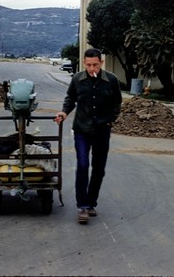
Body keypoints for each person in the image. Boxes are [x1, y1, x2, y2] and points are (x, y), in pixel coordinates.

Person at [55, 48, 122, 224]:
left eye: (95, 64)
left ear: (102, 62)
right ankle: (82, 206)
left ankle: (91, 202)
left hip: (102, 129)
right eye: (89, 64)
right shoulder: (77, 79)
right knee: (83, 165)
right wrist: (64, 113)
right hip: (82, 130)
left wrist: (110, 120)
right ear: (84, 63)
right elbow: (70, 98)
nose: (92, 68)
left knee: (99, 168)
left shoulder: (111, 80)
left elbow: (117, 103)